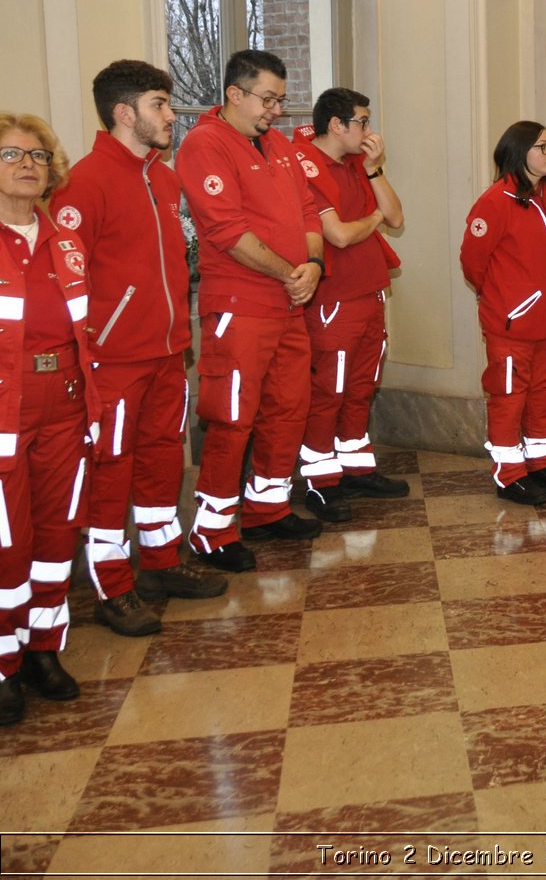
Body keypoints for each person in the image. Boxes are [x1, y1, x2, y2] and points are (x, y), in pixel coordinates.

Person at [49, 61, 227, 637]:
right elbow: (69, 279)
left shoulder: (165, 178)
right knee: (112, 471)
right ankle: (112, 586)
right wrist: (97, 346)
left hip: (169, 351)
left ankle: (161, 562)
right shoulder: (85, 182)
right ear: (124, 113)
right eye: (159, 104)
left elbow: (176, 259)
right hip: (114, 362)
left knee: (160, 460)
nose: (171, 115)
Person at [178, 49, 325, 573]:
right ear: (234, 95)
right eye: (267, 99)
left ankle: (267, 506)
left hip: (290, 303)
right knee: (233, 417)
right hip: (240, 307)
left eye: (281, 100)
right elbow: (226, 232)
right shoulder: (204, 144)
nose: (276, 111)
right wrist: (292, 273)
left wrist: (312, 263)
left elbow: (309, 210)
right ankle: (212, 529)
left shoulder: (279, 145)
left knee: (289, 406)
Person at [0, 114, 98, 724]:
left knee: (58, 533)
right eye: (11, 155)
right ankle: (3, 661)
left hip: (64, 405)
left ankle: (43, 647)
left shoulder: (65, 240)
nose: (27, 164)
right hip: (6, 411)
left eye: (37, 155)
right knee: (9, 542)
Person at [289, 87, 409, 522]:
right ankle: (321, 483)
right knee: (329, 392)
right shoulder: (305, 163)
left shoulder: (360, 163)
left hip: (370, 290)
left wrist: (375, 173)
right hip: (333, 300)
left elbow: (396, 217)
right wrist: (373, 218)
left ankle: (356, 469)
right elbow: (337, 235)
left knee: (361, 387)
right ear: (337, 125)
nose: (369, 130)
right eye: (361, 121)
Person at [460, 121, 546, 506]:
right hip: (511, 325)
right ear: (518, 150)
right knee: (508, 400)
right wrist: (503, 299)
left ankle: (539, 464)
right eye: (542, 146)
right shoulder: (495, 201)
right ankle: (509, 475)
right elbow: (473, 262)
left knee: (542, 397)